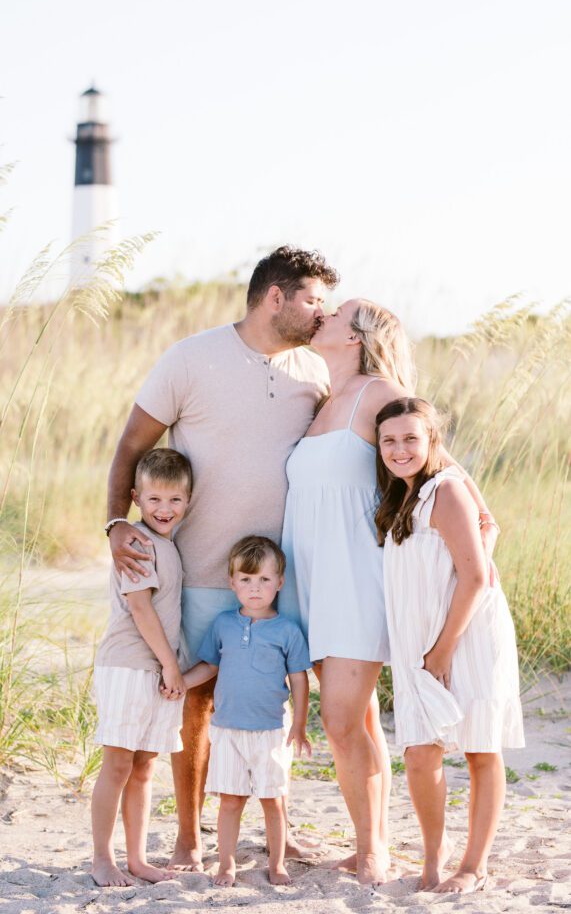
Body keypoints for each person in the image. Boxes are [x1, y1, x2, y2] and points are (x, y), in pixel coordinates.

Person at [105, 246, 339, 870]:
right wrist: (114, 524)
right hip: (203, 567)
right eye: (314, 299)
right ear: (275, 297)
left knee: (275, 697)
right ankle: (189, 835)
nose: (324, 312)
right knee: (196, 703)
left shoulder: (316, 372)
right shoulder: (191, 357)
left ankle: (278, 828)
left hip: (281, 573)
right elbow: (130, 446)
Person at [278, 298, 498, 885]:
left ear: (357, 337)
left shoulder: (378, 394)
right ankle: (368, 841)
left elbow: (441, 467)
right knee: (361, 722)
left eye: (336, 312)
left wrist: (485, 533)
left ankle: (373, 850)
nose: (321, 315)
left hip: (356, 580)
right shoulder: (326, 400)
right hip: (312, 579)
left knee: (344, 720)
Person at [375, 397, 524, 894]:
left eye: (411, 438)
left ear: (433, 441)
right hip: (421, 641)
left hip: (467, 634)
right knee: (421, 751)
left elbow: (476, 577)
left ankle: (473, 863)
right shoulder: (400, 496)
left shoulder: (448, 489)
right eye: (389, 440)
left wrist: (443, 650)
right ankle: (432, 860)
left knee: (480, 749)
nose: (399, 449)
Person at [173, 536, 311, 887]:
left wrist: (299, 723)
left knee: (273, 801)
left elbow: (298, 679)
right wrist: (181, 682)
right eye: (246, 580)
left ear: (279, 583)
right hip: (228, 729)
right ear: (232, 581)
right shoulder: (223, 625)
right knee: (231, 801)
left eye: (264, 580)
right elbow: (209, 666)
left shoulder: (287, 630)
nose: (255, 588)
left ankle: (277, 863)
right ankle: (226, 864)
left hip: (271, 730)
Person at [91, 448, 192, 887]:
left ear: (188, 501)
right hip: (130, 666)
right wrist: (171, 666)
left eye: (174, 500)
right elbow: (140, 608)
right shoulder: (134, 541)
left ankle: (137, 858)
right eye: (154, 499)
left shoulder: (170, 546)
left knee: (145, 765)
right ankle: (102, 858)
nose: (164, 509)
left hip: (156, 673)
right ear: (135, 498)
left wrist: (170, 669)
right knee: (117, 763)